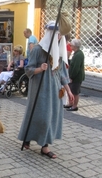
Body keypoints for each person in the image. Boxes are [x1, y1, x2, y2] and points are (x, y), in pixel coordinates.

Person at [18, 21, 74, 159]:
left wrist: (68, 90)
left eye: (61, 35)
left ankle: (45, 145)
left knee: (51, 116)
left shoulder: (59, 52)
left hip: (55, 89)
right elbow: (28, 69)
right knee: (40, 115)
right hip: (40, 88)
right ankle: (28, 137)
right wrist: (40, 69)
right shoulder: (37, 50)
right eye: (58, 34)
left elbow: (61, 73)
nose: (60, 37)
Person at [65, 39, 85, 111]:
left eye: (71, 45)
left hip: (76, 77)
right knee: (71, 90)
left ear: (75, 46)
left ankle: (74, 106)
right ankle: (70, 103)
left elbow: (76, 67)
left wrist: (72, 77)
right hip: (74, 76)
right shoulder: (77, 53)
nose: (70, 46)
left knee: (75, 92)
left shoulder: (78, 55)